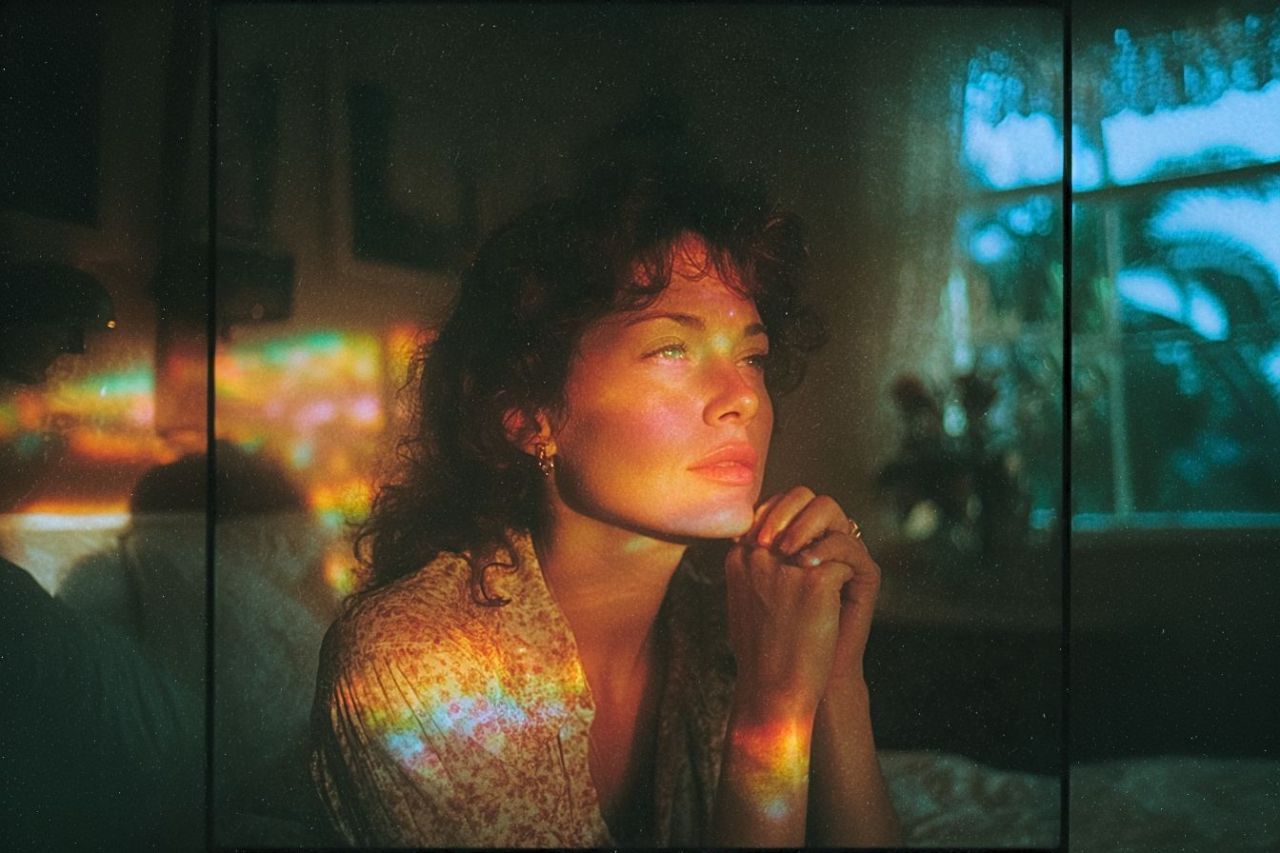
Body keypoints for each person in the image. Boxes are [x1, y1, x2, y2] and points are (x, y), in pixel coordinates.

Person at [310, 156, 902, 846]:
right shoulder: (413, 665)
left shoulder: (740, 618)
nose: (743, 398)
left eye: (752, 358)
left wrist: (836, 682)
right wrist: (771, 712)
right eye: (672, 350)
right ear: (527, 413)